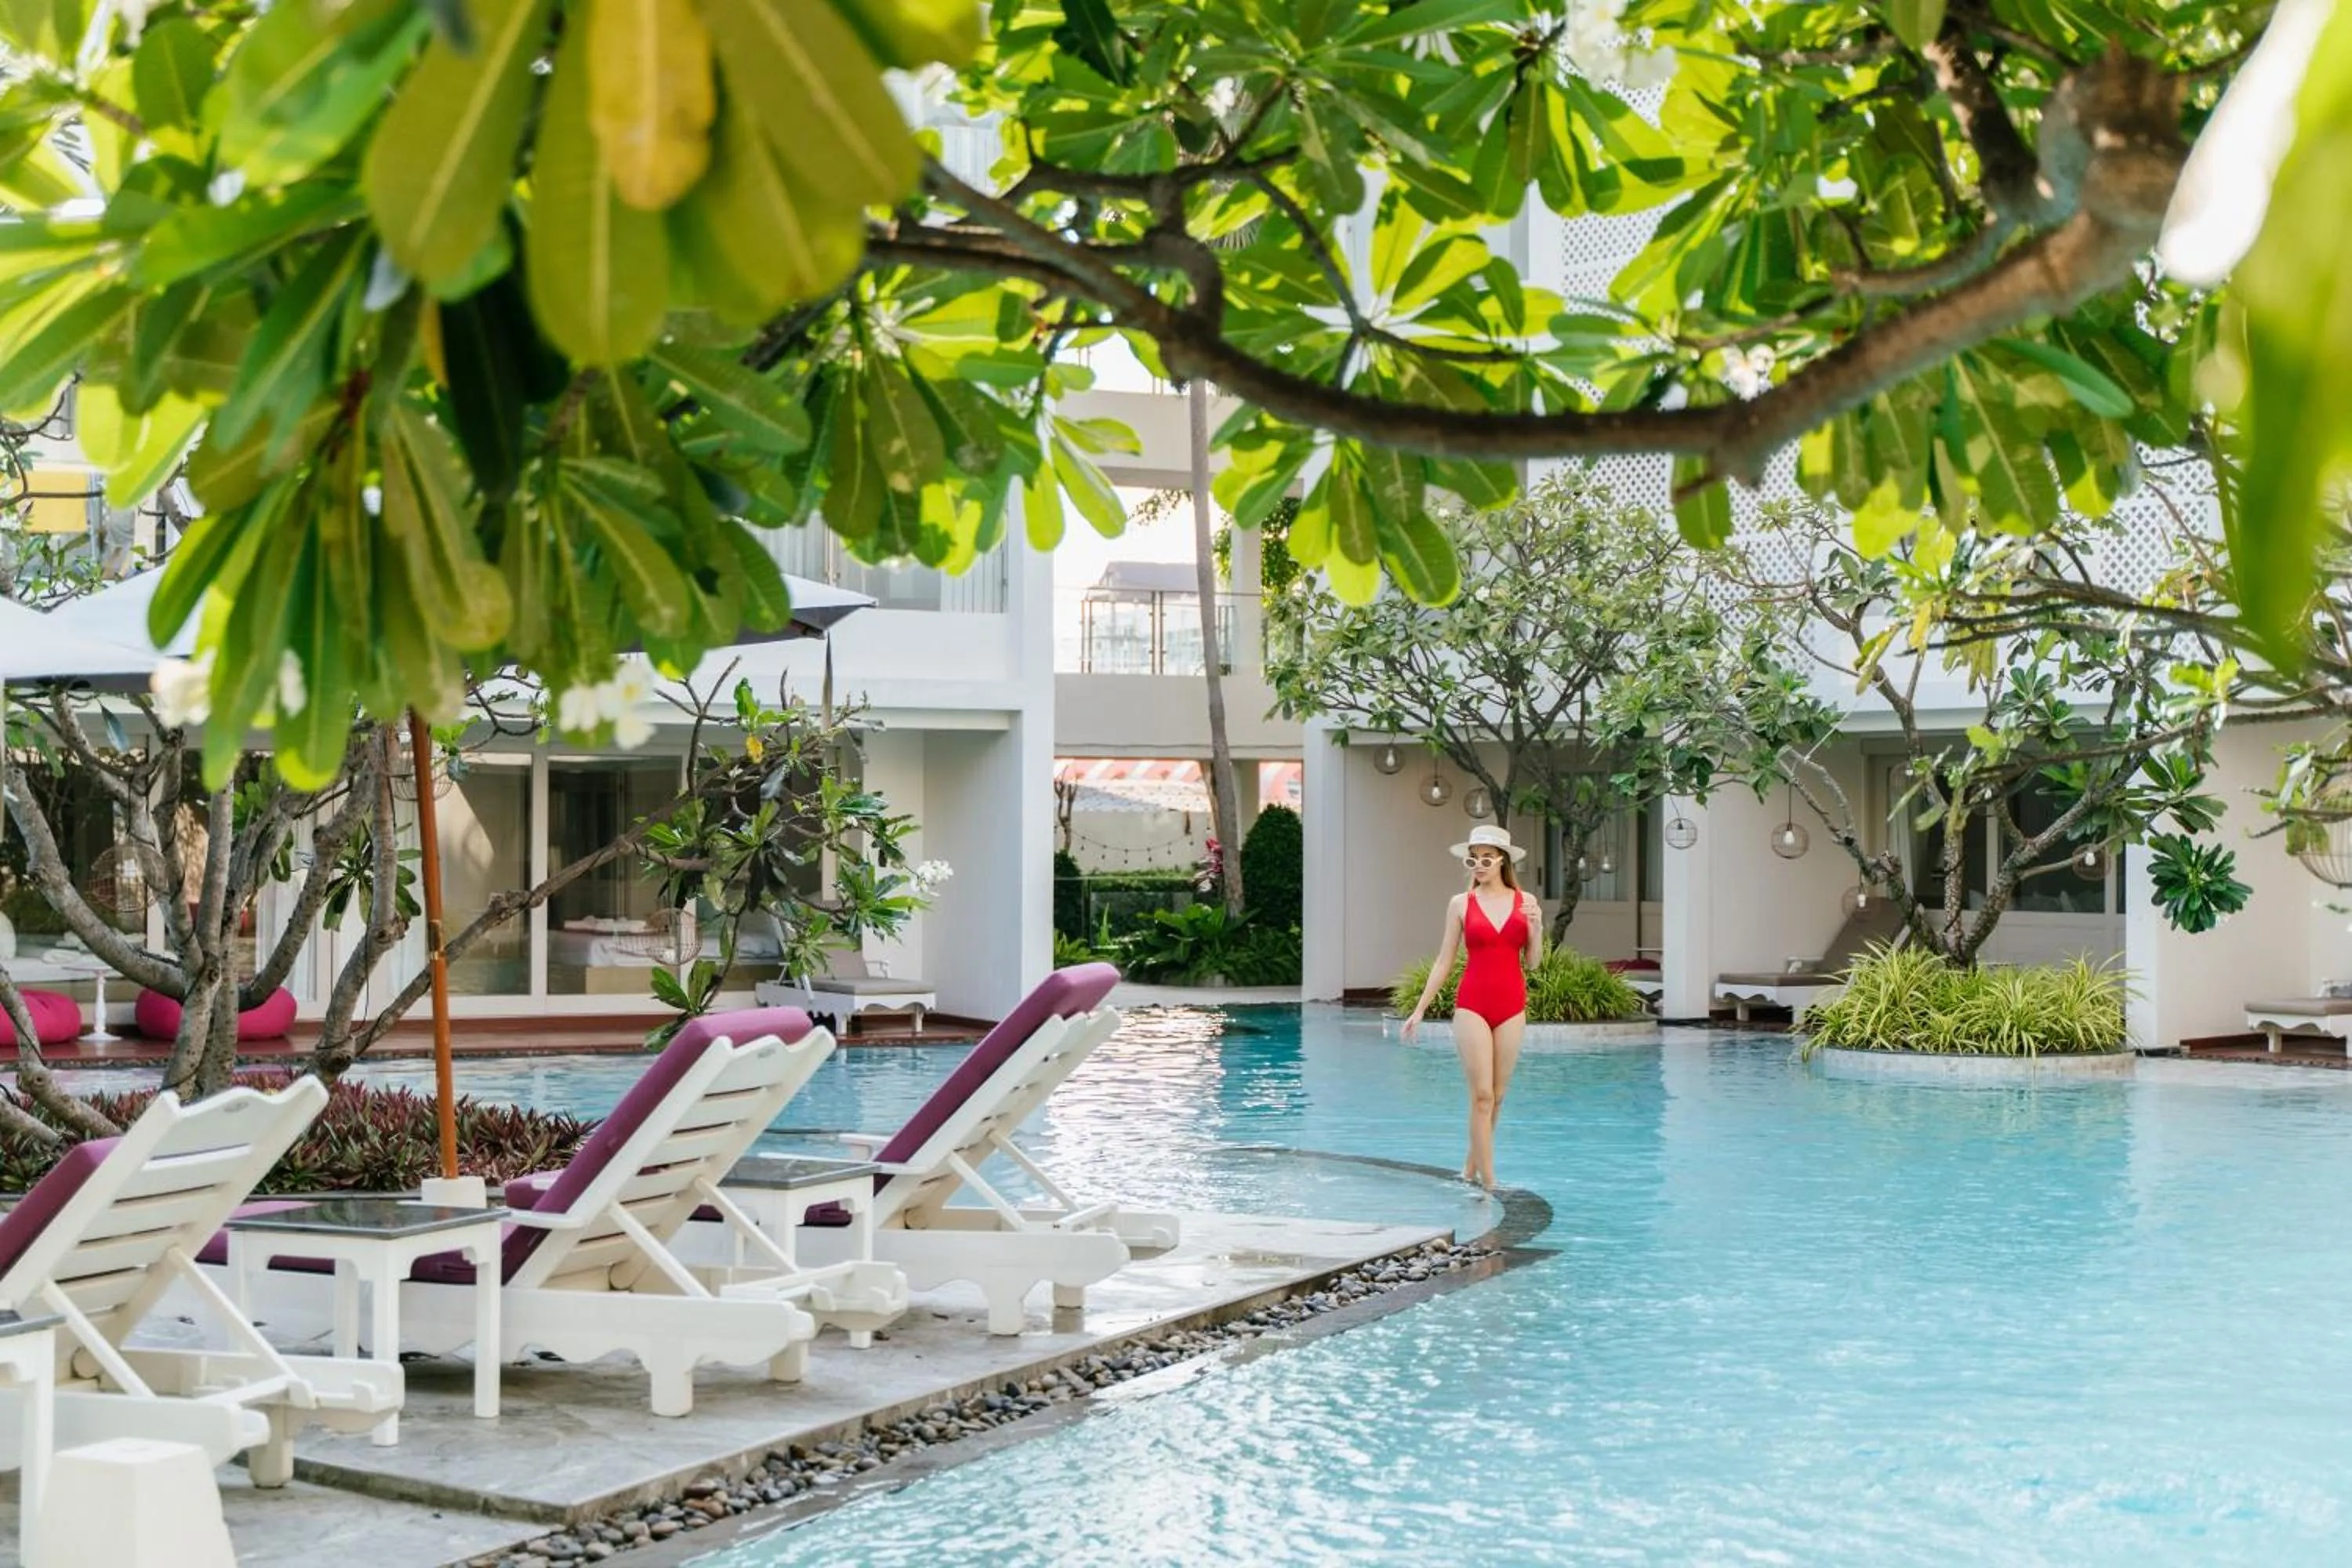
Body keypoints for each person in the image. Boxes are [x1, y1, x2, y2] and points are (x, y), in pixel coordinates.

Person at [1403, 824, 1539, 1192]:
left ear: (1502, 861)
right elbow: (1444, 961)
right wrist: (1420, 1009)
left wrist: (1537, 926)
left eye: (1486, 858)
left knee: (1498, 1097)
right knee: (1482, 1096)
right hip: (1472, 1004)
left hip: (1512, 1005)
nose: (1478, 865)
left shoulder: (1525, 901)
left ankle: (1469, 1169)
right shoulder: (1460, 904)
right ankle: (1490, 1184)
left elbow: (1533, 963)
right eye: (1473, 859)